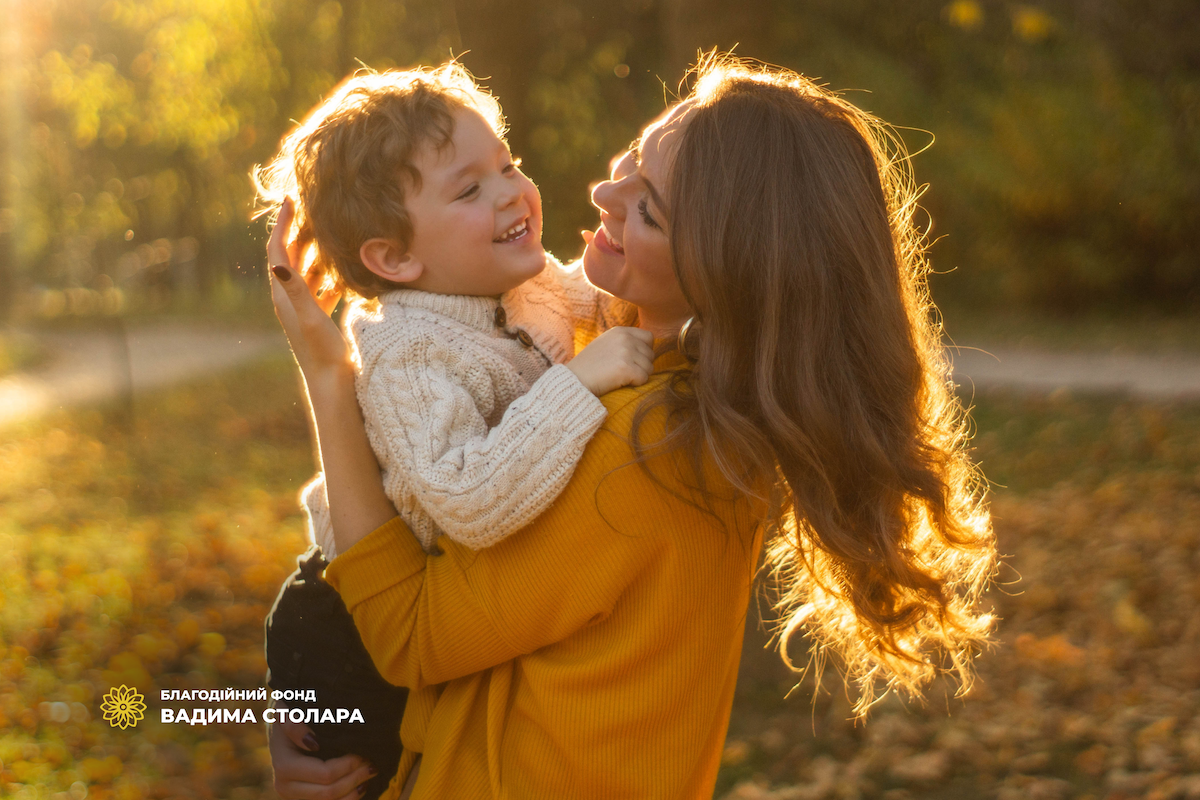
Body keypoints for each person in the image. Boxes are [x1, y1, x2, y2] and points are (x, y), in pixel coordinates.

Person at [265, 54, 997, 800]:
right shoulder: (697, 385)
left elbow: (409, 634)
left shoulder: (641, 449)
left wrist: (330, 375)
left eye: (646, 207)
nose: (602, 191)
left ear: (721, 269)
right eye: (629, 161)